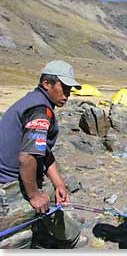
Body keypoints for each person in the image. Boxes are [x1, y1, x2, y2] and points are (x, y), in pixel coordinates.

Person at [0, 60, 83, 248]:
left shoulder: (35, 102)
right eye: (65, 88)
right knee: (69, 234)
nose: (68, 94)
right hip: (9, 182)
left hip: (11, 175)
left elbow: (43, 151)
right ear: (47, 83)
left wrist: (59, 184)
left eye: (70, 90)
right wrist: (34, 195)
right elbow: (27, 157)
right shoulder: (40, 110)